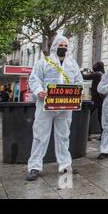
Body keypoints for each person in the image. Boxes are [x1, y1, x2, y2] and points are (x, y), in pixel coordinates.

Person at [26, 35, 83, 181]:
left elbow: (78, 81)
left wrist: (79, 93)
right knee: (40, 136)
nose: (63, 48)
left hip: (65, 105)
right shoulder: (44, 62)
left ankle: (65, 164)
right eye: (61, 45)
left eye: (65, 45)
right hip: (45, 104)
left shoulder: (72, 63)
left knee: (64, 135)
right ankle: (34, 167)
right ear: (55, 46)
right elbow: (34, 79)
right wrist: (39, 91)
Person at [81, 61, 105, 141]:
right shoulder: (102, 74)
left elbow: (85, 77)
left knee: (88, 114)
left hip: (96, 98)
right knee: (100, 116)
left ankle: (87, 134)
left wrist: (80, 71)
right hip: (101, 97)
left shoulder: (97, 74)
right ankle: (102, 134)